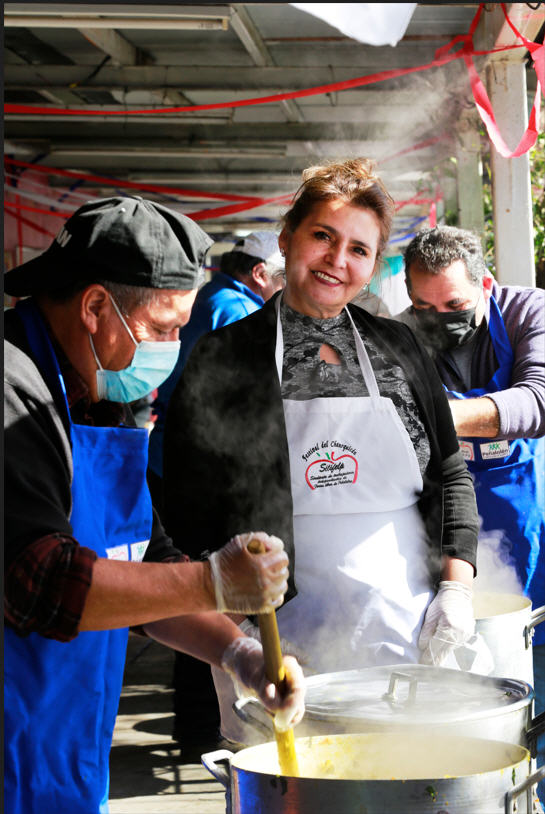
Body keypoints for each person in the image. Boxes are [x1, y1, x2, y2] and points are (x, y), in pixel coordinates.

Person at [3, 196, 305, 814]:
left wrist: (237, 653)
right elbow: (45, 582)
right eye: (164, 329)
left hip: (64, 748)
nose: (171, 349)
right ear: (95, 308)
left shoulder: (97, 392)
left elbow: (141, 558)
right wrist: (213, 581)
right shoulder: (14, 392)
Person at [163, 159, 480, 746]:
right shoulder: (225, 356)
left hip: (408, 629)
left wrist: (457, 590)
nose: (338, 260)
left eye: (359, 249)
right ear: (287, 240)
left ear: (372, 267)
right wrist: (235, 639)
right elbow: (179, 509)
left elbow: (450, 474)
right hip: (280, 646)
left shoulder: (398, 346)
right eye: (323, 236)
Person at [397, 224, 545, 798]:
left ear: (484, 283)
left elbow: (537, 400)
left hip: (531, 523)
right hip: (447, 534)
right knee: (470, 689)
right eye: (424, 306)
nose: (440, 317)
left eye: (455, 304)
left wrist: (439, 418)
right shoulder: (403, 337)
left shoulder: (528, 311)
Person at [146, 229, 285, 754]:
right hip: (202, 470)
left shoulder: (211, 297)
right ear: (258, 275)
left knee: (189, 584)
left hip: (173, 463)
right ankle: (201, 729)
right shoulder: (234, 309)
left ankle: (194, 727)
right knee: (206, 589)